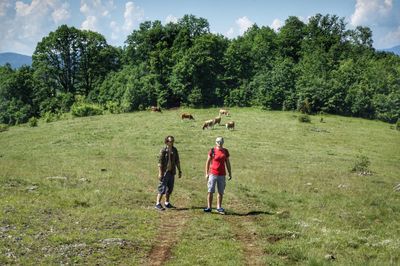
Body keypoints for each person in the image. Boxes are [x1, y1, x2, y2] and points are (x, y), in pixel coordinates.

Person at [204, 136, 232, 214]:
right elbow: (208, 162)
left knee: (220, 192)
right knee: (210, 191)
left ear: (223, 142)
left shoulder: (225, 151)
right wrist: (206, 173)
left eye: (221, 141)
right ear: (215, 142)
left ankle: (218, 207)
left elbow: (228, 163)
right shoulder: (212, 151)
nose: (219, 143)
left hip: (222, 175)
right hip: (213, 174)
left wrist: (230, 173)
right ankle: (209, 207)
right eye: (218, 141)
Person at [155, 135, 182, 210]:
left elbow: (177, 161)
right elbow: (160, 163)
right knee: (162, 188)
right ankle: (158, 203)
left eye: (173, 141)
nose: (172, 142)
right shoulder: (163, 150)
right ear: (167, 142)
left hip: (171, 171)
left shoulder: (174, 150)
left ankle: (167, 203)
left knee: (170, 188)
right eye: (170, 141)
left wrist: (179, 170)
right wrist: (160, 173)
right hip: (165, 172)